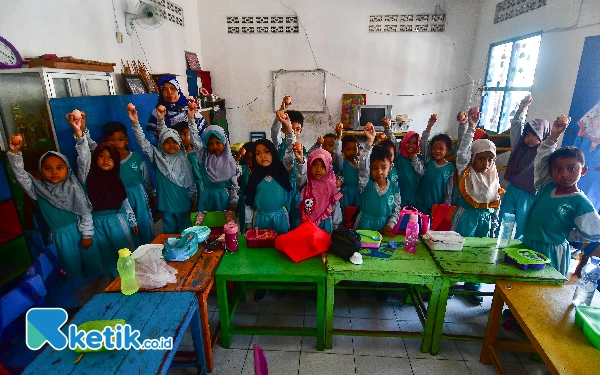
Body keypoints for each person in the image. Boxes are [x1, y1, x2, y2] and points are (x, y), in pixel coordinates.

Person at [7, 136, 104, 279]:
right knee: (72, 274)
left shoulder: (76, 187)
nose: (54, 172)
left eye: (59, 168)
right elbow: (22, 177)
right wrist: (15, 155)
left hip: (84, 231)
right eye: (48, 168)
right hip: (60, 240)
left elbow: (85, 212)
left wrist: (87, 235)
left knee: (95, 268)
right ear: (41, 170)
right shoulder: (39, 192)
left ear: (68, 169)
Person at [521, 116, 600, 276]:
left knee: (544, 291)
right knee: (520, 286)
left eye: (571, 169)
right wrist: (554, 136)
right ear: (550, 172)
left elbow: (594, 232)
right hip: (528, 245)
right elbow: (542, 160)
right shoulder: (546, 185)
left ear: (583, 171)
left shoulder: (579, 201)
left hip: (551, 253)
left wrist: (566, 233)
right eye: (557, 170)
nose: (564, 174)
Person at [71, 117, 138, 276]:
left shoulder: (116, 179)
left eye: (110, 157)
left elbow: (125, 202)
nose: (106, 160)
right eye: (101, 156)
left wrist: (132, 220)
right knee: (106, 255)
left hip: (118, 220)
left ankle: (132, 281)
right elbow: (84, 157)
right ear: (95, 159)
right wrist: (79, 135)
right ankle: (114, 284)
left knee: (126, 254)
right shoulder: (88, 176)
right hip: (97, 222)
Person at [451, 107, 504, 303]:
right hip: (465, 216)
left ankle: (473, 286)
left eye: (491, 159)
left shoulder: (493, 178)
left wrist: (495, 223)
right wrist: (471, 127)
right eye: (481, 158)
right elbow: (463, 152)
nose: (486, 163)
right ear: (473, 158)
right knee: (458, 249)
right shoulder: (466, 171)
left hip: (485, 219)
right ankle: (451, 282)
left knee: (479, 253)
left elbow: (496, 201)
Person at [128, 103, 196, 234]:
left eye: (174, 142)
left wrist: (194, 200)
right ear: (161, 144)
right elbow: (143, 143)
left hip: (184, 204)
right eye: (167, 142)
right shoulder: (158, 158)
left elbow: (191, 182)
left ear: (180, 144)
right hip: (166, 206)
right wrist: (136, 123)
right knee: (169, 236)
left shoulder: (185, 158)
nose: (171, 145)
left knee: (187, 234)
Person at [498, 95, 550, 237]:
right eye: (527, 135)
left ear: (543, 136)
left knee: (523, 223)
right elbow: (516, 126)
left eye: (534, 135)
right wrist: (521, 109)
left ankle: (517, 248)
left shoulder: (544, 154)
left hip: (529, 194)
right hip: (513, 189)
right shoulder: (519, 146)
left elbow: (550, 144)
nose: (529, 139)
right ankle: (499, 242)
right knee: (504, 218)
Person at [354, 123, 401, 236]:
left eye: (383, 167)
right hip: (364, 227)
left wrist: (390, 225)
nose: (379, 172)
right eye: (374, 168)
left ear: (390, 167)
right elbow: (363, 166)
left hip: (383, 228)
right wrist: (370, 141)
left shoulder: (394, 188)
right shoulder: (365, 183)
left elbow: (396, 209)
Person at [145, 75, 208, 146]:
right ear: (161, 93)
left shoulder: (188, 106)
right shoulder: (158, 110)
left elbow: (202, 131)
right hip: (171, 151)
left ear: (178, 90)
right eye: (165, 89)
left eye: (172, 88)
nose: (169, 92)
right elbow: (151, 135)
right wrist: (163, 147)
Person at [413, 114, 455, 215]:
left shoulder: (449, 167)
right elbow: (423, 141)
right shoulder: (428, 159)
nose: (437, 151)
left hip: (437, 206)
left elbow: (449, 190)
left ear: (448, 151)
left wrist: (446, 206)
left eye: (441, 149)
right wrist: (429, 125)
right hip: (420, 202)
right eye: (434, 148)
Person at [298, 149, 343, 233]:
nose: (318, 169)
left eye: (323, 166)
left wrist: (336, 225)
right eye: (314, 165)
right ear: (309, 165)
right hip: (306, 223)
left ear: (328, 167)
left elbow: (335, 206)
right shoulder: (306, 182)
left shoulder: (330, 186)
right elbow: (300, 178)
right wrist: (301, 161)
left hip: (324, 223)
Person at [382, 119, 422, 207]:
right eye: (408, 142)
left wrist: (414, 158)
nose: (411, 145)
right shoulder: (399, 154)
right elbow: (392, 139)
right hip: (399, 193)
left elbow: (422, 173)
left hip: (414, 195)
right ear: (403, 142)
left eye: (414, 143)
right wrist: (387, 127)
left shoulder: (418, 158)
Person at [337, 130, 361, 214]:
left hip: (358, 192)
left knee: (356, 212)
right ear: (342, 150)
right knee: (346, 213)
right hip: (347, 193)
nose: (352, 152)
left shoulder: (359, 162)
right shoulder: (343, 162)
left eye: (354, 149)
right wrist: (339, 136)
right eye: (348, 149)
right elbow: (337, 153)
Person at [235, 142, 254, 233]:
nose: (252, 161)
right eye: (249, 158)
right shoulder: (243, 168)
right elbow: (232, 169)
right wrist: (238, 156)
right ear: (244, 158)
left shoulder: (262, 169)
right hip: (245, 201)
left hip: (258, 201)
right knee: (247, 226)